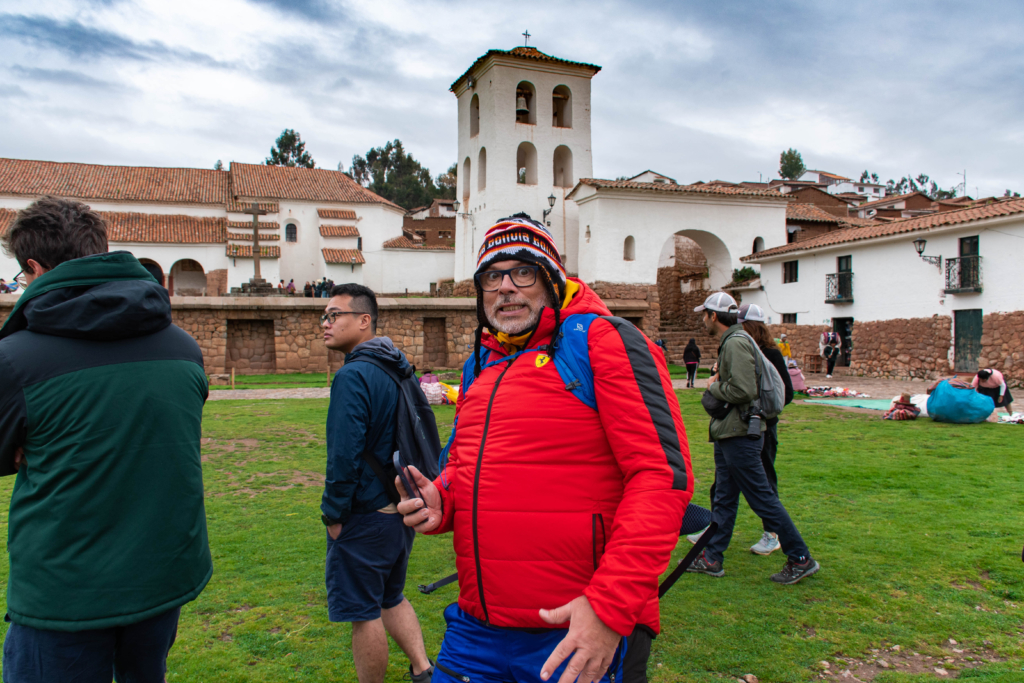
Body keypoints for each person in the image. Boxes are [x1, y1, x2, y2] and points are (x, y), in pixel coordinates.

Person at [396, 215, 692, 683]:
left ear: (552, 280)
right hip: (477, 627)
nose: (506, 287)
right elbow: (462, 465)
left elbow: (660, 477)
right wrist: (442, 497)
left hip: (576, 627)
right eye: (492, 276)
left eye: (523, 272)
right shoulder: (481, 363)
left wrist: (609, 608)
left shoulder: (604, 342)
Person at [0, 197, 212, 682]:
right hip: (163, 575)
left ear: (34, 268)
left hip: (66, 589)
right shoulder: (183, 347)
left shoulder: (15, 360)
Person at [320, 283, 433, 683]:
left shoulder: (354, 375)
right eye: (325, 316)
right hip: (400, 507)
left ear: (364, 321)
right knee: (390, 595)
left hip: (366, 513)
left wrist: (334, 515)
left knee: (363, 612)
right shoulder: (396, 366)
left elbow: (343, 455)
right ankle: (423, 670)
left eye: (336, 315)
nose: (326, 324)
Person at [685, 291, 819, 585]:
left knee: (762, 498)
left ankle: (800, 557)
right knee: (724, 496)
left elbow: (744, 390)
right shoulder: (734, 341)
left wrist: (713, 387)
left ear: (714, 316)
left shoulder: (735, 343)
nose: (702, 319)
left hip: (740, 433)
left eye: (704, 314)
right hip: (731, 432)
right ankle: (712, 556)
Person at [737, 304, 794, 556]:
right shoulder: (741, 349)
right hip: (738, 427)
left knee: (764, 481)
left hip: (763, 427)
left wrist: (758, 407)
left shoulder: (770, 353)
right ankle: (714, 527)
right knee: (725, 480)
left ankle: (772, 534)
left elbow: (786, 393)